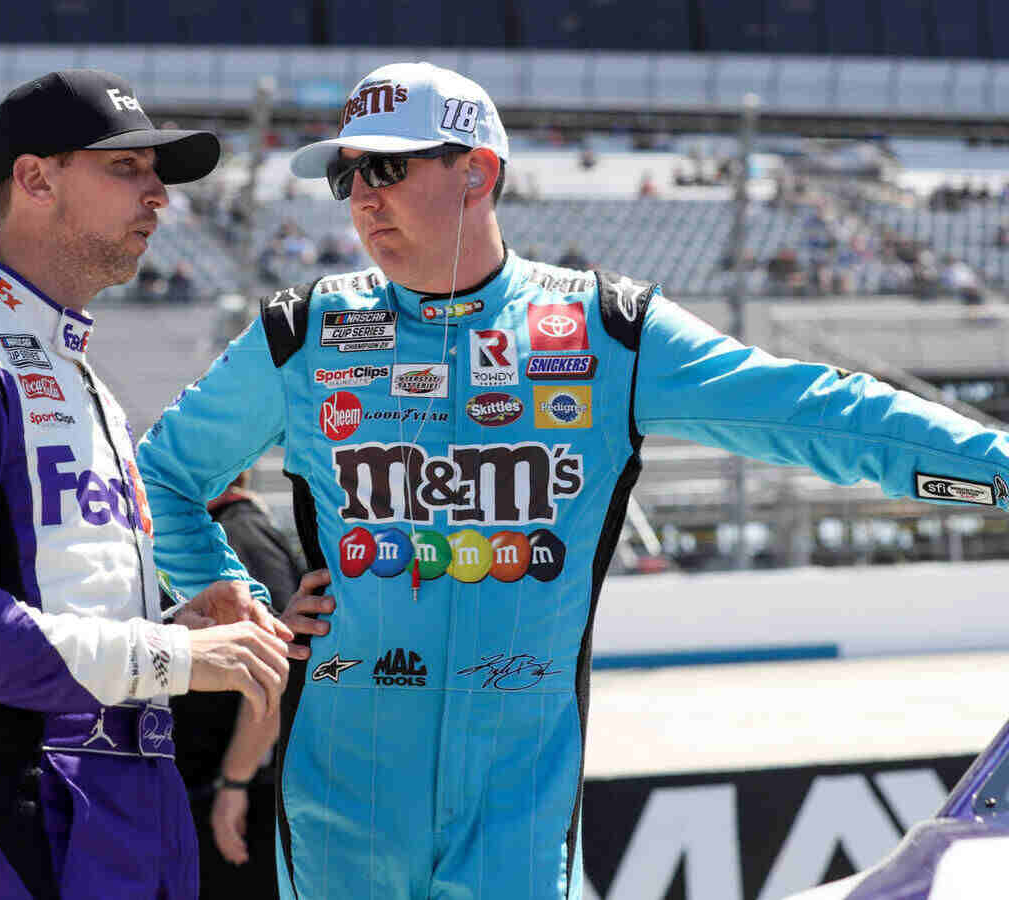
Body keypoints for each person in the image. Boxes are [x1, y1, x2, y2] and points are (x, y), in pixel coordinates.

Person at [136, 62, 1009, 900]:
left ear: (478, 171)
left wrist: (1001, 475)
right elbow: (164, 474)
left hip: (517, 807)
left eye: (389, 168)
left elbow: (819, 412)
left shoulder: (608, 332)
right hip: (341, 796)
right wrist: (226, 589)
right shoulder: (307, 334)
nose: (364, 197)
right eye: (348, 177)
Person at [0, 68, 305, 900]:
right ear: (35, 178)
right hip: (18, 790)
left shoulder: (78, 372)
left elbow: (69, 604)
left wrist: (173, 621)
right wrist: (173, 653)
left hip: (134, 794)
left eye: (158, 174)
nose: (159, 195)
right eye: (127, 168)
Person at [173, 470, 303, 899]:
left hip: (238, 798)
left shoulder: (239, 535)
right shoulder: (227, 533)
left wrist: (235, 783)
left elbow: (278, 664)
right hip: (219, 790)